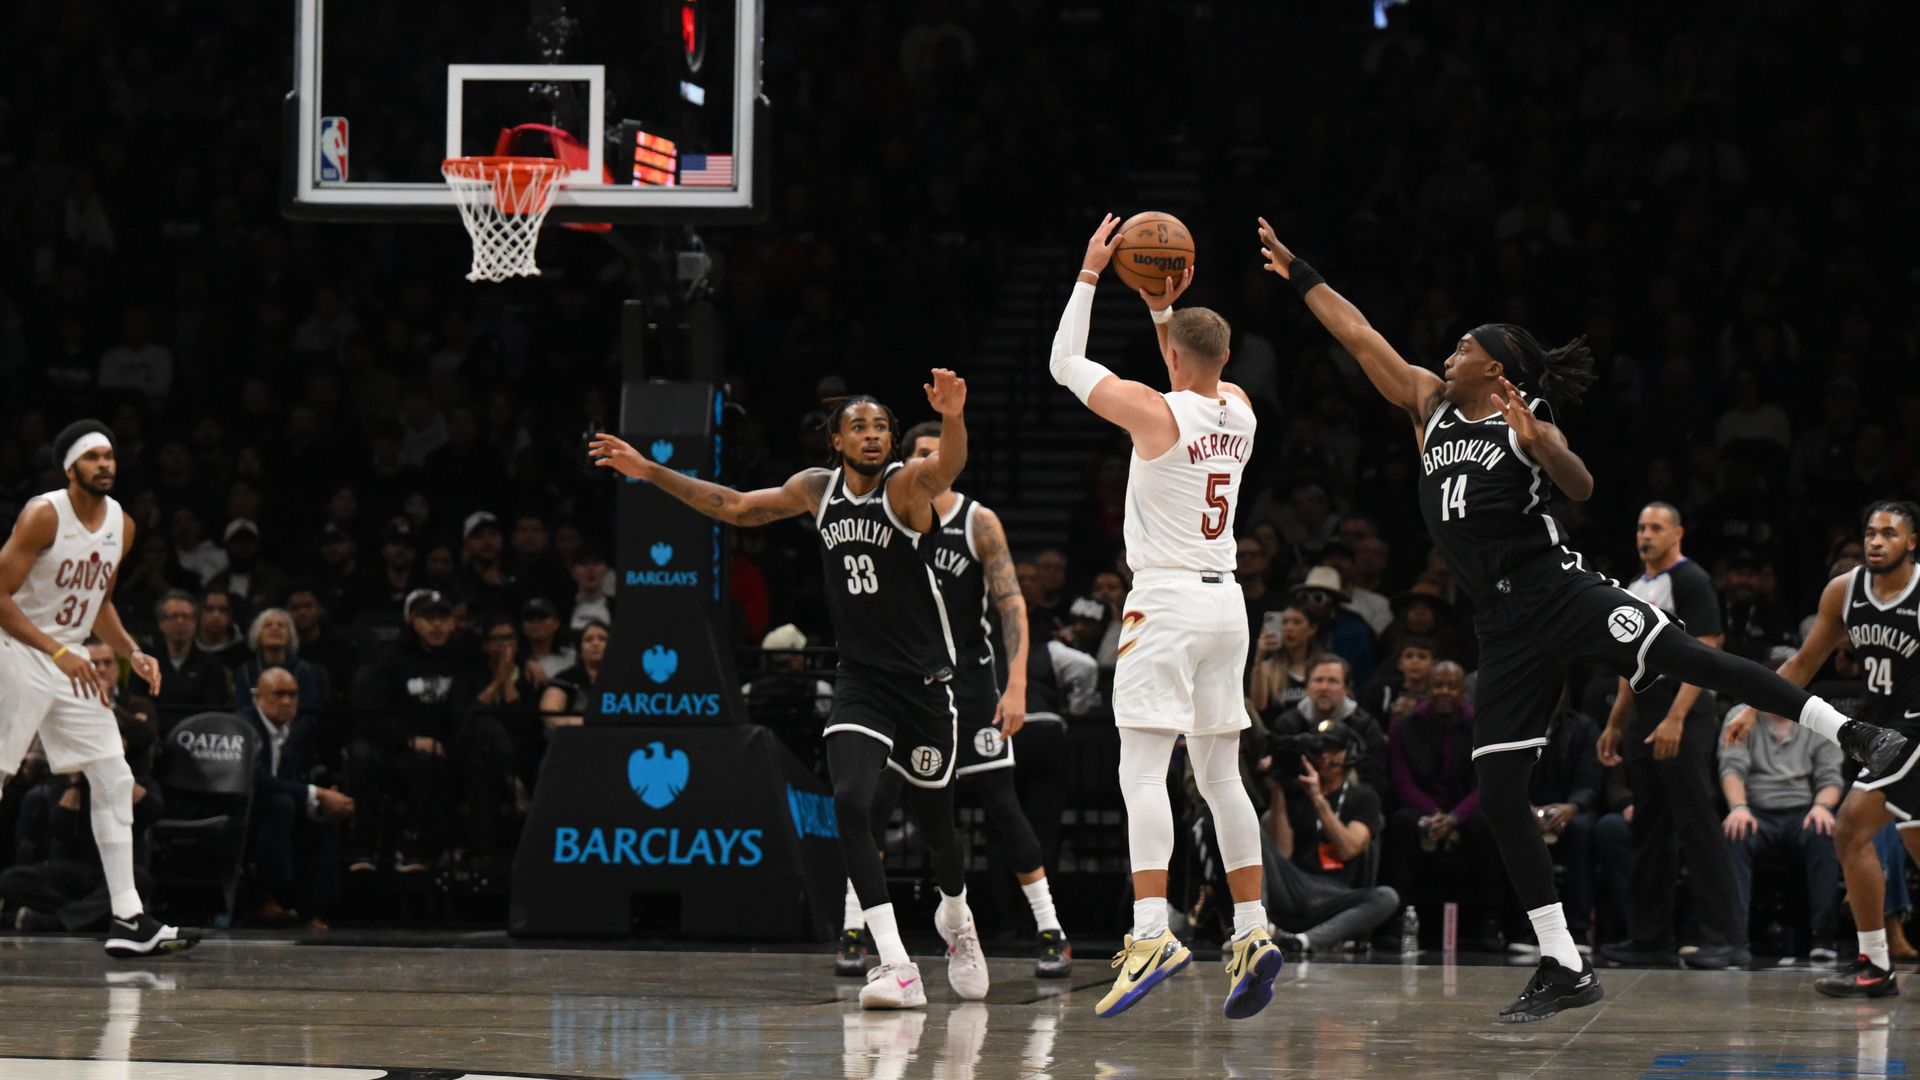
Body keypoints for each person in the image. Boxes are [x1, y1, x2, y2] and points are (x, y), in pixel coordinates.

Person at [1258, 222, 1904, 1021]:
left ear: (1494, 365)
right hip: (1500, 625)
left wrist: (1543, 446)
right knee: (1498, 792)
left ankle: (1848, 731)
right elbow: (1360, 335)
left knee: (1686, 658)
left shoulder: (1523, 416)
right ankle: (1564, 962)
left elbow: (1584, 483)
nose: (1449, 351)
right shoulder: (1429, 402)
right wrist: (1300, 273)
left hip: (1560, 590)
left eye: (1465, 345)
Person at [590, 369, 989, 1011]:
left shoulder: (907, 485)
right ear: (834, 440)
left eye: (881, 426)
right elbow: (736, 506)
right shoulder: (814, 489)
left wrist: (952, 417)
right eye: (858, 426)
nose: (872, 435)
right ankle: (896, 964)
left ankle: (957, 920)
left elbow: (948, 467)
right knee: (852, 803)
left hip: (924, 686)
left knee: (937, 827)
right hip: (862, 679)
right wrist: (652, 473)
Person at [1047, 216, 1280, 1021]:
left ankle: (1152, 929)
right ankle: (1251, 929)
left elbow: (1064, 363)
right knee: (1221, 776)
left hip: (1169, 602)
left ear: (1175, 357)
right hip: (1228, 606)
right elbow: (1186, 375)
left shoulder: (1155, 414)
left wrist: (1089, 275)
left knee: (1142, 770)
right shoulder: (1240, 408)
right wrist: (1162, 311)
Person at [838, 421, 1071, 979]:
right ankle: (854, 928)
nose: (923, 462)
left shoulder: (977, 521)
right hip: (904, 683)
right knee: (873, 803)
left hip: (969, 685)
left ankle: (1050, 929)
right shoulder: (885, 515)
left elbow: (1011, 603)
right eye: (916, 453)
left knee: (1000, 800)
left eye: (933, 454)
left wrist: (1015, 685)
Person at [0, 419, 198, 956]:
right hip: (20, 650)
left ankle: (130, 919)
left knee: (113, 776)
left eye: (110, 456)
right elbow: (1, 598)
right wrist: (58, 650)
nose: (105, 464)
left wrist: (132, 649)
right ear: (70, 468)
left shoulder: (123, 525)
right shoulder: (44, 515)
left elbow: (99, 605)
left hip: (72, 660)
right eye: (93, 457)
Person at [1721, 501, 1920, 997]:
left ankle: (1874, 963)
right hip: (1882, 729)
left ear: (1912, 542)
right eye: (1870, 532)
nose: (1876, 541)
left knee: (1851, 825)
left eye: (1889, 534)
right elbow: (1805, 664)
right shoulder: (1844, 592)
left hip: (1916, 729)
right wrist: (1750, 706)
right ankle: (1875, 963)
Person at [1597, 502, 1748, 969]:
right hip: (1645, 713)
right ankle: (1649, 937)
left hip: (1684, 712)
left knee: (1696, 823)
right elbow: (1630, 665)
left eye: (1656, 527)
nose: (1646, 535)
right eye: (1641, 527)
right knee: (1649, 827)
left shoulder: (1691, 581)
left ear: (1677, 533)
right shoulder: (1632, 588)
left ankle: (1726, 938)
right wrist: (1615, 724)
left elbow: (1705, 658)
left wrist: (1677, 719)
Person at [1717, 675, 1843, 962]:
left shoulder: (1821, 719)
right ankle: (1735, 939)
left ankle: (1823, 935)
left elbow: (1830, 776)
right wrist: (1738, 808)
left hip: (1804, 809)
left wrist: (1823, 806)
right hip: (1755, 810)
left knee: (1824, 834)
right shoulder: (1740, 716)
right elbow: (1731, 769)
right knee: (1734, 833)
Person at [1261, 725, 1399, 956]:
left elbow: (1347, 849)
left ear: (1348, 754)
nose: (1325, 757)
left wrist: (1317, 797)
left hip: (1335, 893)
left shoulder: (1363, 797)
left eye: (1334, 751)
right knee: (1250, 829)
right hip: (1294, 884)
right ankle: (1259, 928)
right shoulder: (1295, 792)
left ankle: (1302, 942)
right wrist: (1277, 791)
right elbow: (1282, 851)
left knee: (1387, 897)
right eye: (1320, 751)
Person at [238, 666, 353, 927]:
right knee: (282, 805)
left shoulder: (289, 731)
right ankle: (265, 899)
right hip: (243, 809)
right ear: (258, 697)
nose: (287, 701)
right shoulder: (245, 725)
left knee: (322, 821)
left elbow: (290, 780)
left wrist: (320, 803)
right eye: (278, 694)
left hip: (274, 807)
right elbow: (258, 781)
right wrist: (316, 794)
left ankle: (312, 910)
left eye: (293, 695)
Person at [1270, 654, 1390, 798]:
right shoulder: (1288, 725)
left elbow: (1374, 781)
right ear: (1307, 686)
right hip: (1299, 801)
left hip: (1351, 803)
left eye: (1332, 681)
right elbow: (1279, 778)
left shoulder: (1365, 726)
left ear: (1346, 689)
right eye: (1318, 680)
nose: (1324, 687)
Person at [145, 589, 231, 718]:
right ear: (161, 623)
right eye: (173, 616)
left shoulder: (212, 666)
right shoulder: (146, 662)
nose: (180, 622)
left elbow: (214, 712)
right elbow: (138, 704)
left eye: (186, 616)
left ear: (196, 622)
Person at [1247, 605, 1322, 726]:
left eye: (1296, 622)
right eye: (1284, 622)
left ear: (1312, 629)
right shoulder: (1267, 668)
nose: (1288, 628)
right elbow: (1258, 706)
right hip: (1279, 737)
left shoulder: (1323, 667)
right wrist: (1259, 658)